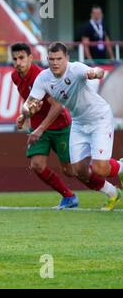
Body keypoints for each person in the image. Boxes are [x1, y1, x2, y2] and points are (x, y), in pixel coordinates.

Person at [23, 41, 123, 211]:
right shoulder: (43, 78)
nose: (55, 63)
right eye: (51, 59)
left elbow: (95, 71)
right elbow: (30, 104)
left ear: (66, 58)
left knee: (100, 168)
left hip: (99, 119)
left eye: (59, 59)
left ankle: (121, 167)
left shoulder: (76, 69)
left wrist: (96, 73)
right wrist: (24, 113)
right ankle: (114, 194)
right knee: (78, 171)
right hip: (78, 123)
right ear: (47, 58)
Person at [11, 42, 79, 209]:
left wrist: (40, 128)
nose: (18, 62)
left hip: (59, 125)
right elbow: (29, 99)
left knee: (71, 171)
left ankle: (111, 169)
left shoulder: (40, 76)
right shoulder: (15, 76)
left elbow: (57, 106)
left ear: (30, 58)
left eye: (21, 58)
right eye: (15, 59)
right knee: (37, 165)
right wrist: (24, 115)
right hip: (38, 127)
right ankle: (69, 197)